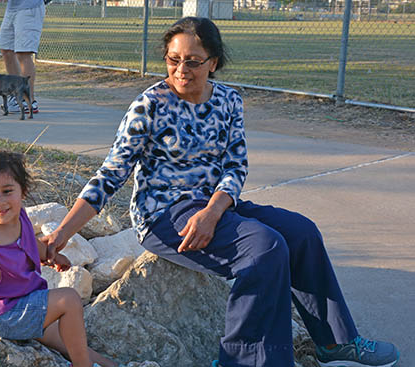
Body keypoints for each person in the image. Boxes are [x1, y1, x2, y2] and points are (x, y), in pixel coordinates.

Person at [41, 17, 400, 367]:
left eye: (193, 61)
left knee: (302, 232)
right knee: (264, 247)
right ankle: (240, 360)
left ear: (213, 63)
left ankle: (335, 343)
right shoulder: (149, 106)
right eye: (173, 60)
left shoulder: (229, 101)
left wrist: (214, 211)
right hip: (165, 215)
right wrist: (61, 234)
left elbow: (235, 166)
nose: (181, 69)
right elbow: (110, 175)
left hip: (218, 206)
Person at [0, 150, 118, 367]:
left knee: (68, 338)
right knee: (69, 300)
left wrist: (52, 255)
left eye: (6, 191)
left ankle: (107, 364)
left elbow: (31, 243)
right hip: (4, 315)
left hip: (24, 302)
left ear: (23, 190)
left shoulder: (19, 216)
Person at [0, 0, 46, 114]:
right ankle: (16, 96)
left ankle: (29, 100)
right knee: (6, 50)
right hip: (12, 8)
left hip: (29, 7)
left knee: (23, 53)